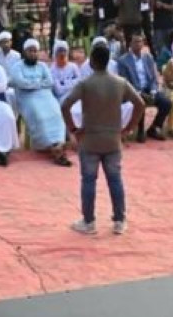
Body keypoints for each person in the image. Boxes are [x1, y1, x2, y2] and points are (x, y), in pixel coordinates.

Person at [60, 44, 145, 235]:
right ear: (109, 61)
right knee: (115, 180)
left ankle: (89, 222)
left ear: (91, 61)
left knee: (88, 180)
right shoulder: (120, 82)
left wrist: (74, 129)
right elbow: (140, 104)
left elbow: (65, 105)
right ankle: (119, 220)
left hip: (89, 139)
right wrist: (128, 128)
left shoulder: (85, 84)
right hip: (113, 139)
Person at [8, 39, 72, 166]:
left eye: (35, 51)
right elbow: (21, 83)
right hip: (27, 98)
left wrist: (32, 84)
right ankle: (51, 146)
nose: (33, 54)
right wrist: (38, 83)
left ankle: (58, 143)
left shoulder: (42, 66)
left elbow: (50, 82)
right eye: (30, 51)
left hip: (45, 96)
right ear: (24, 52)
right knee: (40, 116)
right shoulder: (17, 67)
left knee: (56, 112)